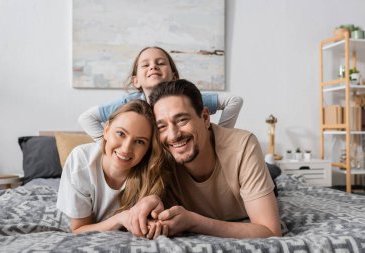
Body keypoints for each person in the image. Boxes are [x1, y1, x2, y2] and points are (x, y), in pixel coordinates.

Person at [127, 79, 282, 239]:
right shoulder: (160, 155)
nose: (173, 135)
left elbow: (270, 231)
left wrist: (194, 222)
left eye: (182, 120)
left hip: (249, 178)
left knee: (272, 173)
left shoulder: (243, 145)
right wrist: (149, 199)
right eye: (162, 126)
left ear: (205, 117)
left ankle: (270, 167)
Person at [56, 100, 172, 238]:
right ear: (106, 130)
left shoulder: (152, 170)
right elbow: (78, 229)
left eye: (140, 141)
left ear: (147, 149)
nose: (126, 149)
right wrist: (120, 218)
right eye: (121, 134)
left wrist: (152, 222)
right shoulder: (81, 161)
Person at [78, 46, 243, 142]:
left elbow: (234, 100)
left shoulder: (187, 99)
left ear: (175, 76)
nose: (153, 67)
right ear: (136, 81)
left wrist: (220, 139)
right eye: (145, 65)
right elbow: (86, 118)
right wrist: (105, 145)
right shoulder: (128, 104)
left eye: (161, 63)